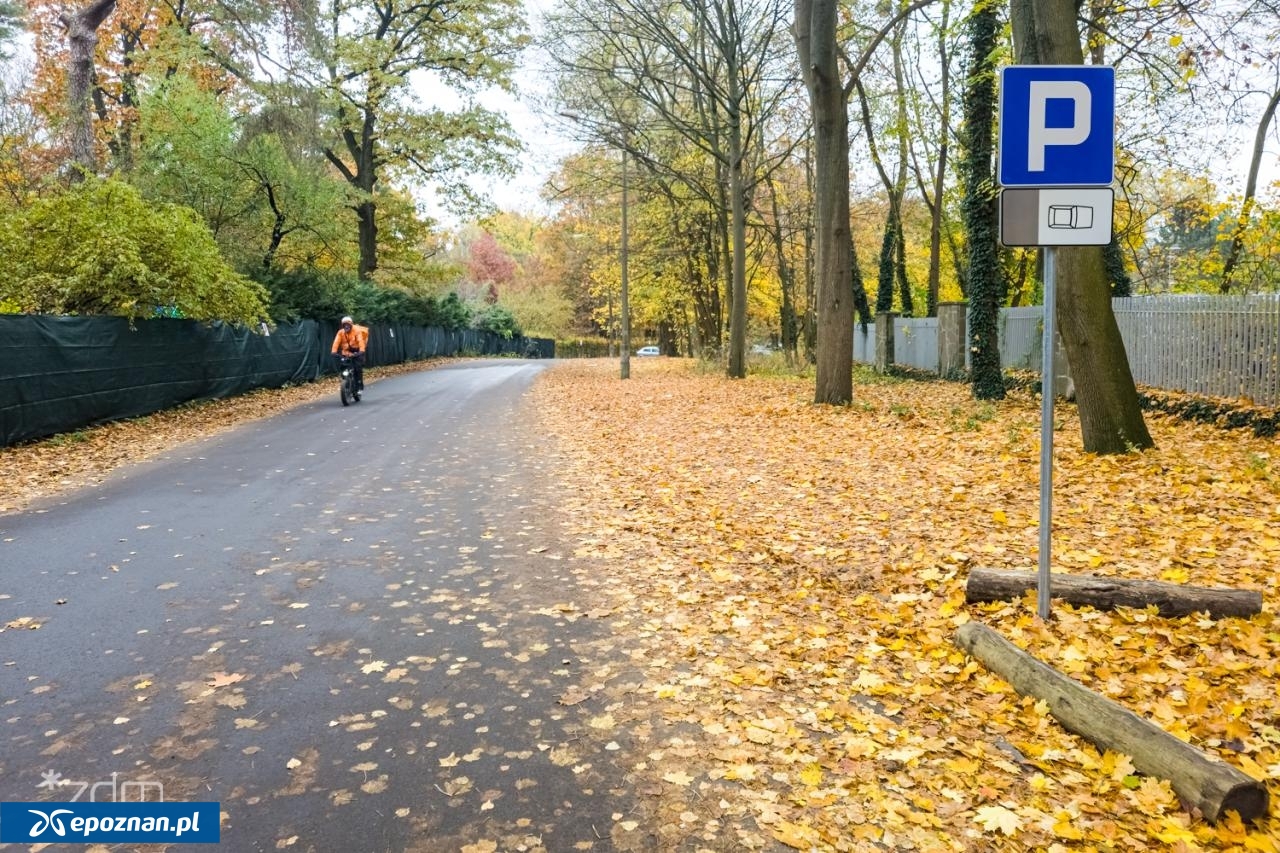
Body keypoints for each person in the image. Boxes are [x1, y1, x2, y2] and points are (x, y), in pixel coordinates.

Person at [331, 316, 369, 391]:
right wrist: (333, 351)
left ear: (351, 324)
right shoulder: (340, 332)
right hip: (347, 352)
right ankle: (346, 381)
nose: (346, 326)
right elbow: (336, 342)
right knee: (343, 366)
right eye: (344, 325)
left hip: (357, 352)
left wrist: (361, 351)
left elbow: (360, 341)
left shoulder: (357, 331)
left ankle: (359, 385)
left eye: (348, 324)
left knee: (358, 368)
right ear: (342, 325)